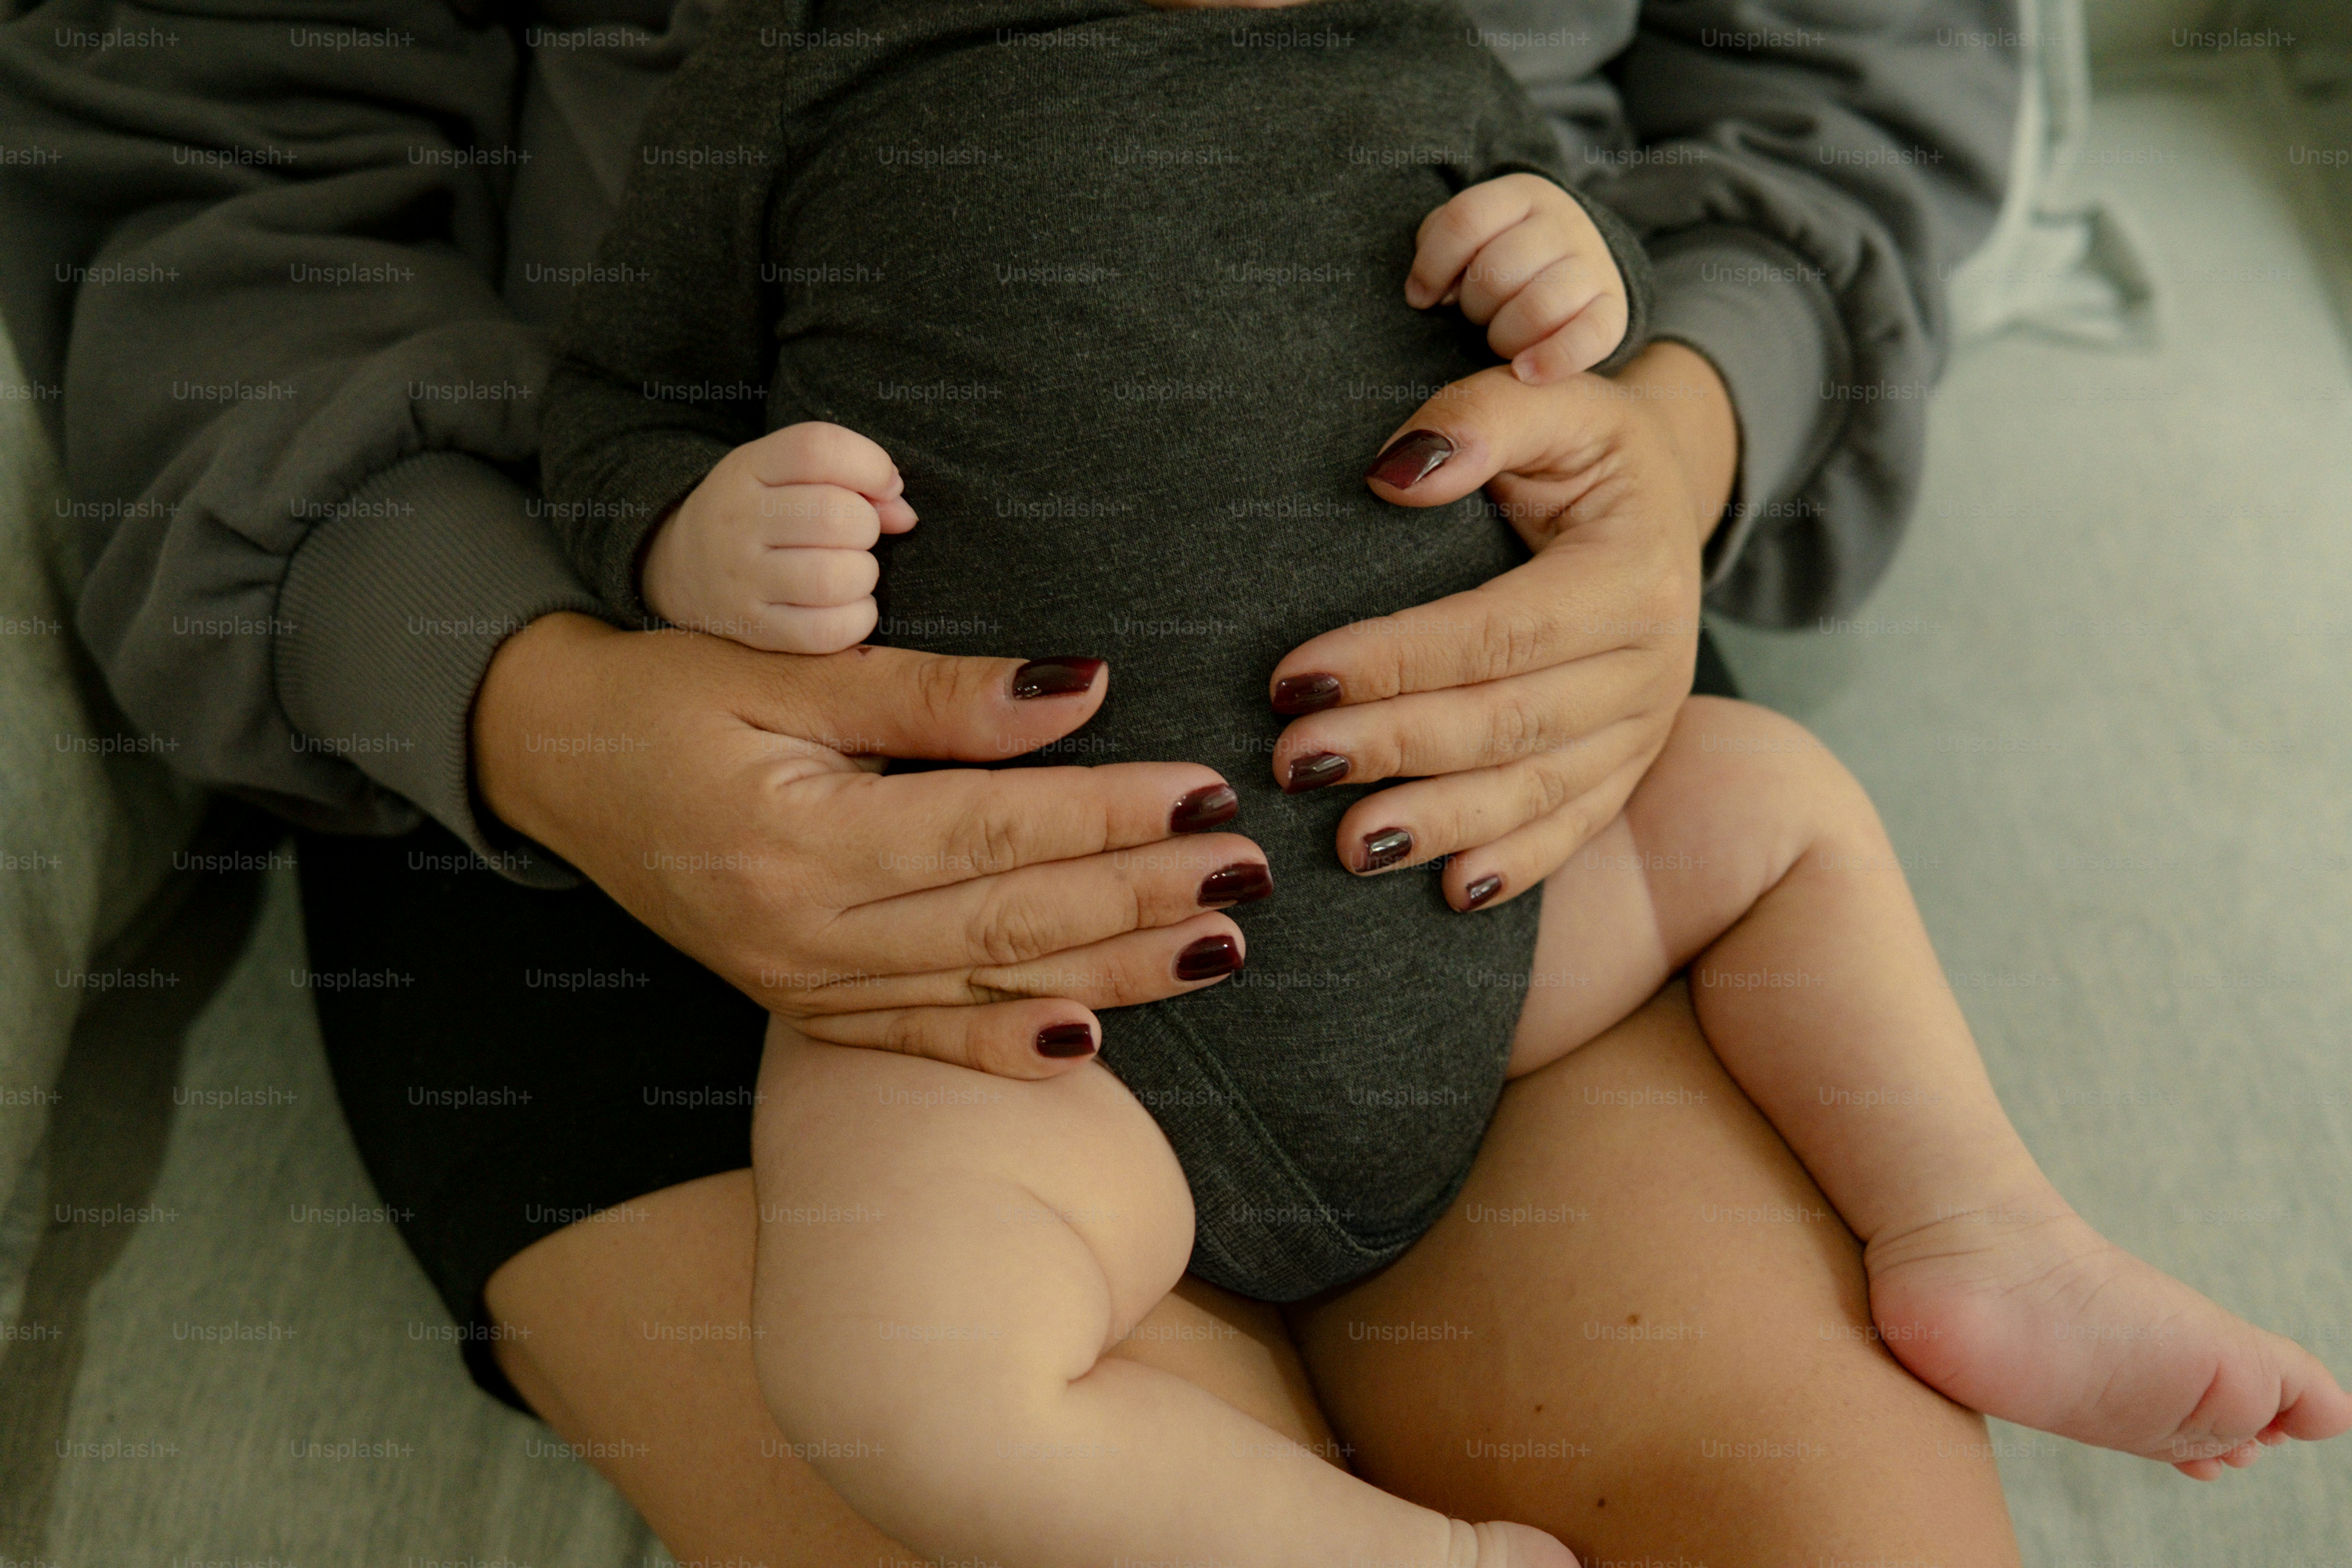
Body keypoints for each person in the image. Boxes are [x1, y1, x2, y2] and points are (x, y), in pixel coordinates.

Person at [0, 1, 2040, 1561]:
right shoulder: (776, 103)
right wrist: (563, 689)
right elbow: (218, 185)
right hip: (672, 796)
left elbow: (1834, 102)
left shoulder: (1432, 79)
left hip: (1475, 781)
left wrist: (1671, 423)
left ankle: (2000, 1234)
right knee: (958, 1429)